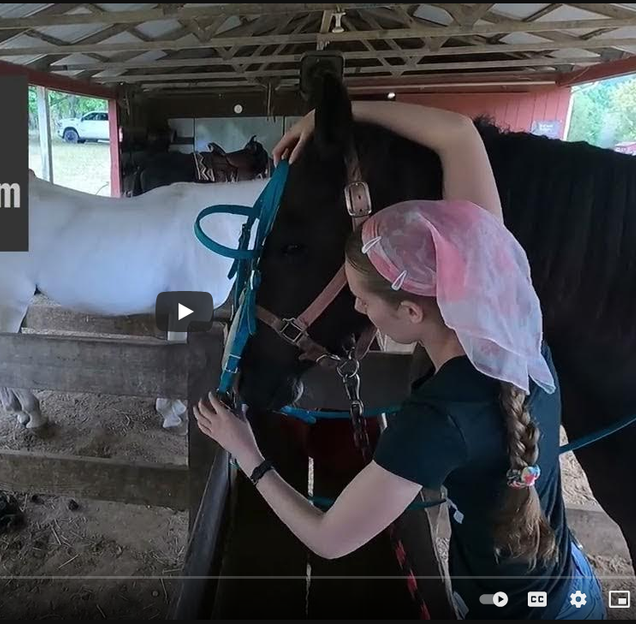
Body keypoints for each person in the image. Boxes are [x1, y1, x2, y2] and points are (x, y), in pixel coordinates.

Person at [192, 101, 605, 620]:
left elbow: (329, 538)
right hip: (572, 586)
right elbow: (457, 135)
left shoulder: (437, 420)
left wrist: (246, 451)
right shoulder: (512, 314)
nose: (358, 309)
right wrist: (329, 116)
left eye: (364, 301)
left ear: (411, 310)